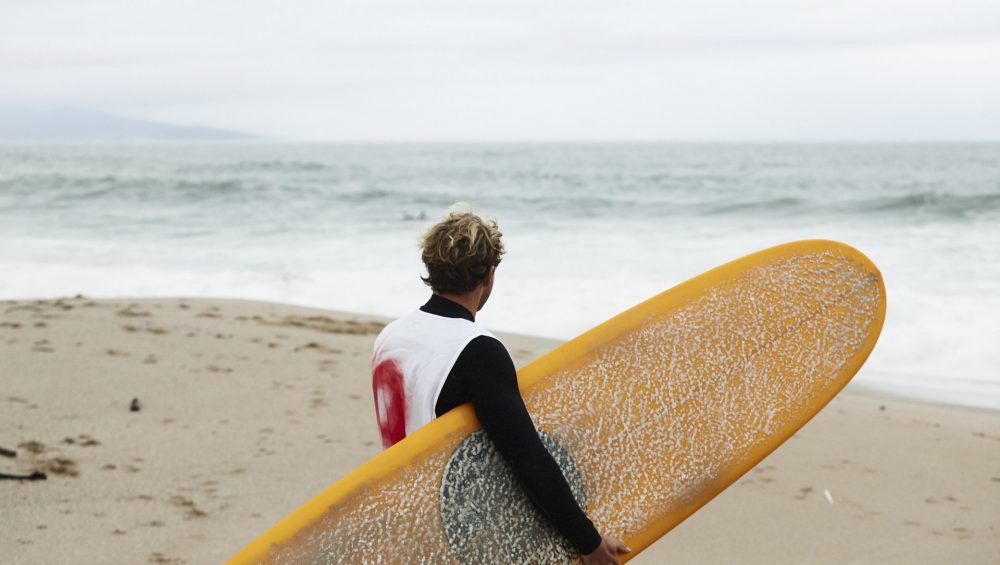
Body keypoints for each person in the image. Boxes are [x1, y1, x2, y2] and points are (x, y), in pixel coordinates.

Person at [371, 206, 630, 565]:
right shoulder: (479, 350)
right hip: (460, 537)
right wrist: (589, 542)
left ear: (432, 268)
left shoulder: (389, 338)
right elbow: (527, 458)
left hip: (405, 521)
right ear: (489, 275)